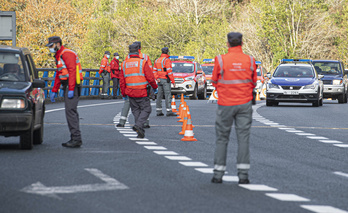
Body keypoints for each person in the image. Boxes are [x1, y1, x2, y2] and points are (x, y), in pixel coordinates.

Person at [211, 32, 257, 184]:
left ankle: (218, 174)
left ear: (228, 43)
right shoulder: (250, 60)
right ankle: (243, 175)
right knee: (243, 138)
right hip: (244, 104)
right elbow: (254, 82)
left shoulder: (221, 60)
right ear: (242, 43)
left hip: (225, 104)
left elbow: (214, 81)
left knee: (222, 138)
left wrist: (224, 91)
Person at [46, 36, 84, 148]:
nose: (50, 48)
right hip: (67, 84)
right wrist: (54, 90)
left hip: (72, 85)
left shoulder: (67, 53)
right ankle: (75, 138)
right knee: (71, 111)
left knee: (70, 111)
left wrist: (71, 89)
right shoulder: (59, 55)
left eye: (52, 46)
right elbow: (59, 74)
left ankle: (76, 138)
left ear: (58, 44)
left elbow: (72, 71)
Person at [119, 43, 158, 138]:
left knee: (136, 110)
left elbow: (122, 80)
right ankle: (138, 125)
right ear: (138, 50)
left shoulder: (124, 63)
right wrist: (155, 87)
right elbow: (150, 77)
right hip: (142, 91)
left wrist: (123, 93)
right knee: (146, 109)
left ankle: (139, 130)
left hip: (130, 92)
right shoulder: (142, 62)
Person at [153, 47, 176, 116]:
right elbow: (169, 72)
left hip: (159, 80)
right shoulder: (167, 60)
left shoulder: (157, 60)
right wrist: (173, 81)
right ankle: (169, 111)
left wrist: (157, 78)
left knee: (159, 95)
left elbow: (154, 71)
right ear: (167, 52)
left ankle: (158, 111)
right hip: (166, 80)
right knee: (167, 95)